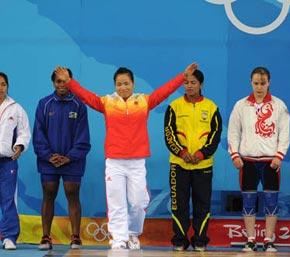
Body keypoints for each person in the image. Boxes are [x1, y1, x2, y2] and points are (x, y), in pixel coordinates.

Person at [55, 63, 198, 250]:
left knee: (139, 201)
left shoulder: (144, 101)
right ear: (115, 86)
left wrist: (182, 77)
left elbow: (164, 92)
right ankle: (119, 238)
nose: (123, 87)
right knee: (116, 202)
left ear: (133, 84)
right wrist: (70, 82)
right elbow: (87, 97)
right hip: (114, 162)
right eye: (119, 84)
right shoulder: (107, 102)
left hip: (137, 162)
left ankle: (132, 233)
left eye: (126, 83)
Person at [227, 67, 290, 252]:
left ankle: (269, 239)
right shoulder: (241, 105)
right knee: (248, 201)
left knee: (271, 202)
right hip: (247, 162)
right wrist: (235, 155)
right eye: (256, 83)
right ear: (251, 82)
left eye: (263, 83)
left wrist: (279, 156)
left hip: (271, 162)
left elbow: (284, 133)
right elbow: (233, 132)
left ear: (269, 82)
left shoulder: (279, 105)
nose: (259, 87)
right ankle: (251, 239)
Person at [163, 69, 222, 251]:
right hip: (178, 165)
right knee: (178, 204)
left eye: (193, 82)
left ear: (201, 85)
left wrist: (200, 154)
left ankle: (200, 240)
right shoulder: (174, 106)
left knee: (202, 204)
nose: (189, 86)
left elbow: (215, 135)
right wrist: (182, 153)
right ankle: (179, 241)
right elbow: (169, 134)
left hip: (203, 165)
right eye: (186, 82)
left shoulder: (212, 107)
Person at [33, 69, 91, 250]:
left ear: (71, 82)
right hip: (48, 160)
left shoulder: (79, 105)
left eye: (65, 81)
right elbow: (38, 135)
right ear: (53, 83)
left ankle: (75, 237)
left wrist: (69, 157)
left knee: (72, 192)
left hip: (72, 161)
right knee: (49, 192)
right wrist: (49, 156)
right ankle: (45, 237)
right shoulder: (44, 104)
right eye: (58, 81)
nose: (62, 85)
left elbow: (83, 137)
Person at [0, 72, 31, 250]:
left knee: (8, 199)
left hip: (7, 161)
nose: (0, 87)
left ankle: (9, 236)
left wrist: (19, 146)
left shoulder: (16, 108)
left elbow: (24, 132)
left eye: (3, 84)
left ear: (7, 86)